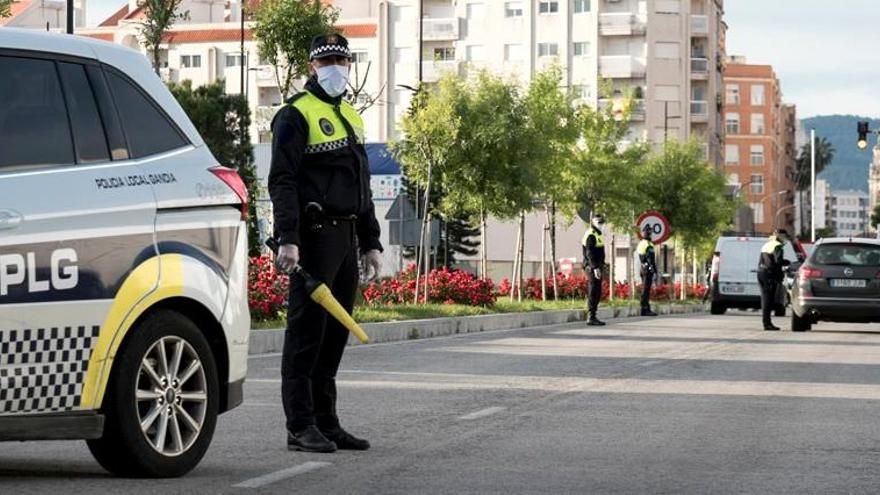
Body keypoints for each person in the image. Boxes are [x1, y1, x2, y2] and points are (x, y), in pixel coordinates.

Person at [268, 33, 383, 453]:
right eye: (329, 59)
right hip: (313, 239)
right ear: (312, 66)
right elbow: (282, 180)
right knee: (306, 337)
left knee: (334, 336)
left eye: (343, 59)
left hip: (347, 236)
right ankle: (299, 426)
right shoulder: (295, 114)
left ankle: (326, 422)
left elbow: (363, 184)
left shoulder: (351, 115)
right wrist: (288, 238)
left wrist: (371, 241)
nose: (338, 66)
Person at [757, 229, 790, 331]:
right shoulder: (777, 246)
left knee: (765, 299)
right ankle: (767, 324)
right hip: (770, 275)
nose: (785, 239)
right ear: (780, 236)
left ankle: (766, 322)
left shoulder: (767, 245)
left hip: (761, 273)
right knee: (768, 300)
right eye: (784, 237)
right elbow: (778, 261)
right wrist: (787, 262)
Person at [582, 214, 608, 326]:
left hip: (597, 266)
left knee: (597, 291)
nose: (601, 225)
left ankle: (593, 315)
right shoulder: (591, 235)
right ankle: (590, 316)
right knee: (593, 291)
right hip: (592, 267)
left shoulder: (598, 234)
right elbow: (589, 253)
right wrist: (595, 267)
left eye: (602, 222)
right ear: (593, 222)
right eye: (599, 222)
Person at [637, 230, 658, 317]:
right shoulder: (648, 244)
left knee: (645, 289)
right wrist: (653, 270)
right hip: (647, 269)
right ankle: (645, 309)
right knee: (646, 290)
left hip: (643, 268)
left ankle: (645, 308)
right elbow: (650, 258)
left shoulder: (641, 243)